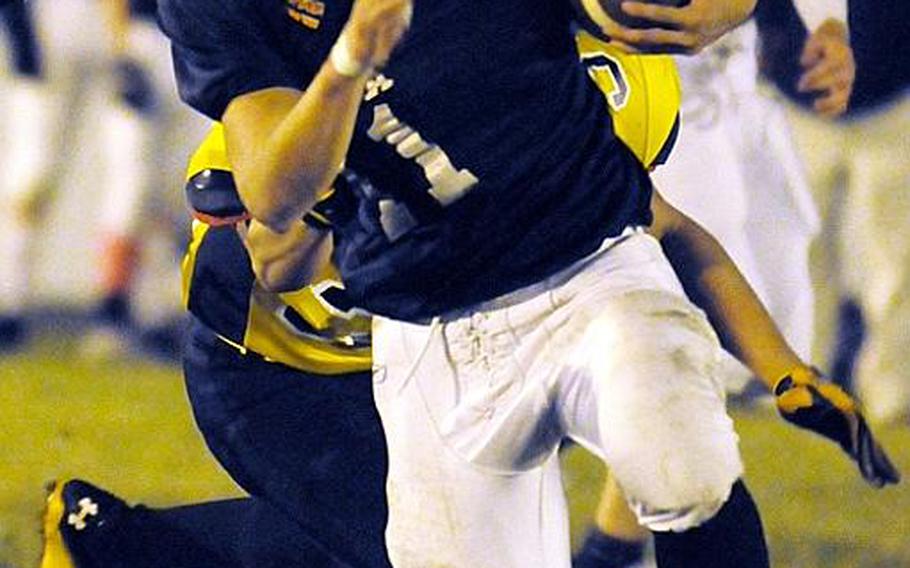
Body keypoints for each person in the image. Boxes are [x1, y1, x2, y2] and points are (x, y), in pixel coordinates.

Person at [158, 1, 898, 567]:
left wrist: (785, 370)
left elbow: (668, 226)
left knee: (677, 444)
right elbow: (273, 220)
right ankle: (122, 538)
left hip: (577, 282)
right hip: (382, 344)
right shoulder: (266, 51)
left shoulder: (622, 100)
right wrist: (348, 67)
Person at [575, 2, 858, 565]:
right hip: (626, 74)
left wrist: (828, 20)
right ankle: (609, 546)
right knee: (678, 320)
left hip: (734, 80)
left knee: (770, 312)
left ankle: (615, 543)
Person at [41, 125, 391, 568]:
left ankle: (112, 546)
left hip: (385, 361)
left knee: (450, 523)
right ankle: (113, 546)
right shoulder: (302, 104)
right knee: (409, 537)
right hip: (276, 373)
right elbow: (232, 208)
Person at [757, 0, 910, 425]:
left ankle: (894, 397)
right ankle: (795, 388)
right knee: (797, 257)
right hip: (800, 104)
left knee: (897, 261)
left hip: (893, 101)